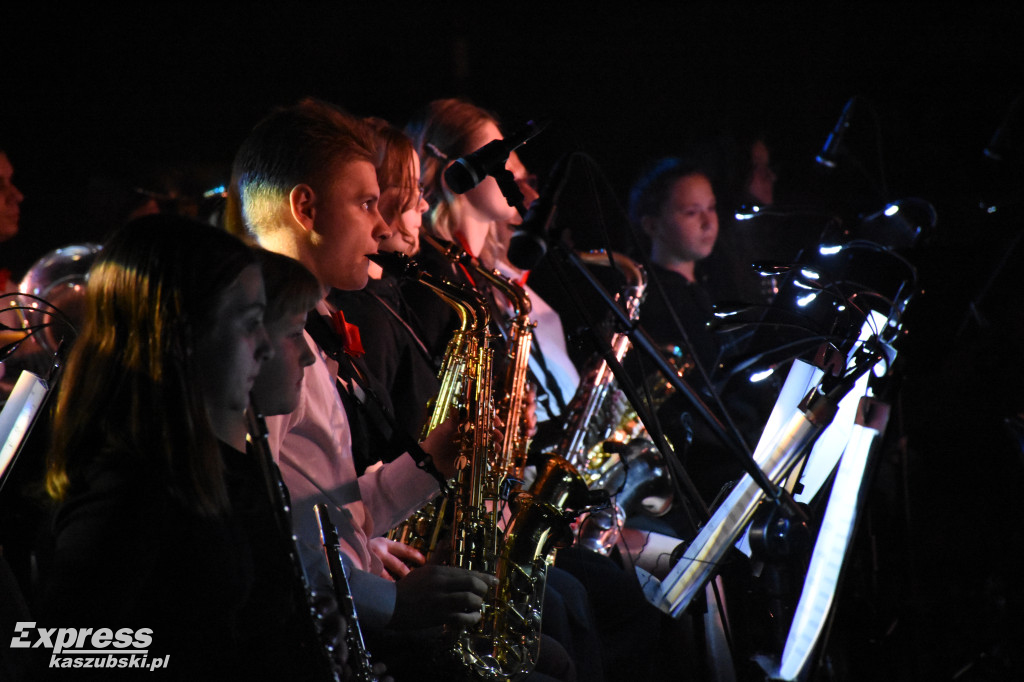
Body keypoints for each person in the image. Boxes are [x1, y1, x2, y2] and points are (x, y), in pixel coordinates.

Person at [231, 99, 553, 681]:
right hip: (343, 639)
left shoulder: (310, 333)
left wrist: (432, 460)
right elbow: (270, 544)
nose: (382, 228)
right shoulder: (267, 354)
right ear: (305, 208)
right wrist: (395, 604)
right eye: (366, 203)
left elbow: (334, 513)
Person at [31, 214, 334, 680]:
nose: (267, 348)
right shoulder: (128, 488)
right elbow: (61, 651)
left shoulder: (216, 460)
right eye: (250, 323)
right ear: (181, 334)